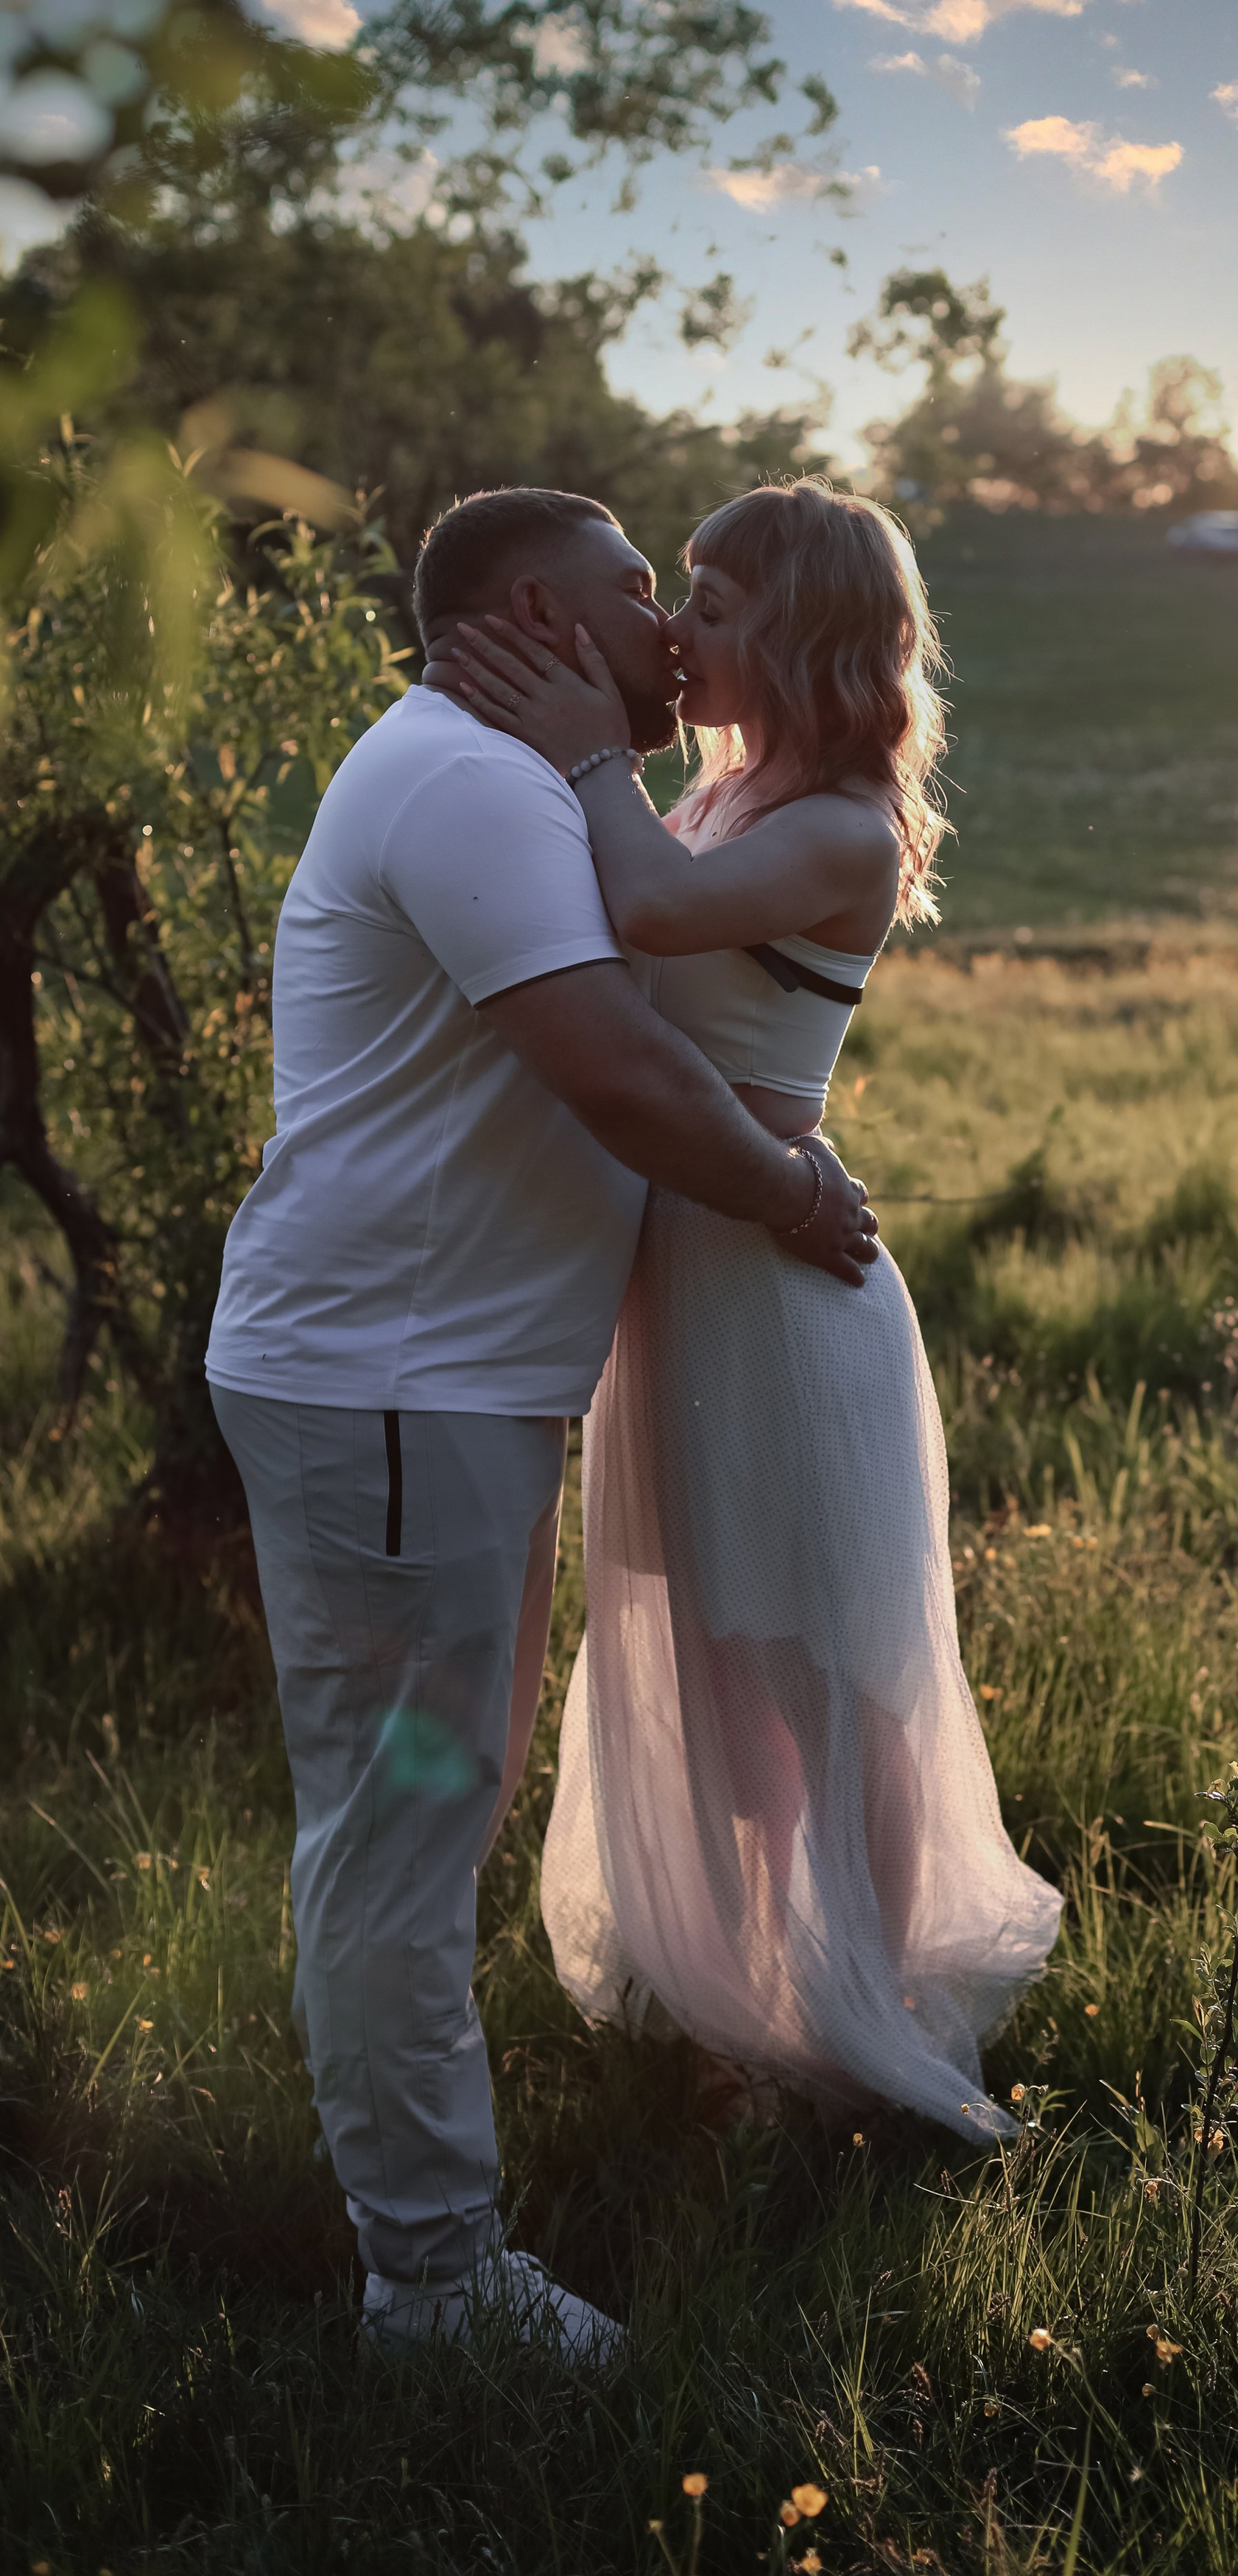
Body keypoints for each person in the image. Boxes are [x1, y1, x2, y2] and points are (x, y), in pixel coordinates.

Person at [204, 486, 878, 2364]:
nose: (666, 621)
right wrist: (789, 1196)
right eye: (634, 587)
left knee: (417, 1814)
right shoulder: (482, 790)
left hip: (426, 1394)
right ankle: (430, 2284)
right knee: (396, 1839)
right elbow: (621, 1068)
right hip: (395, 1398)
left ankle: (422, 2236)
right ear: (534, 611)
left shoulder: (506, 774)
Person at [447, 477, 1061, 2139]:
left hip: (783, 1294)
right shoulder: (727, 791)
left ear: (796, 636)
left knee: (820, 1674)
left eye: (711, 605)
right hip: (681, 1281)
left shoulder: (839, 827)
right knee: (717, 1661)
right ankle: (758, 1998)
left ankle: (866, 2001)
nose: (673, 631)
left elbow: (636, 912)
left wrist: (588, 748)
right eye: (681, 595)